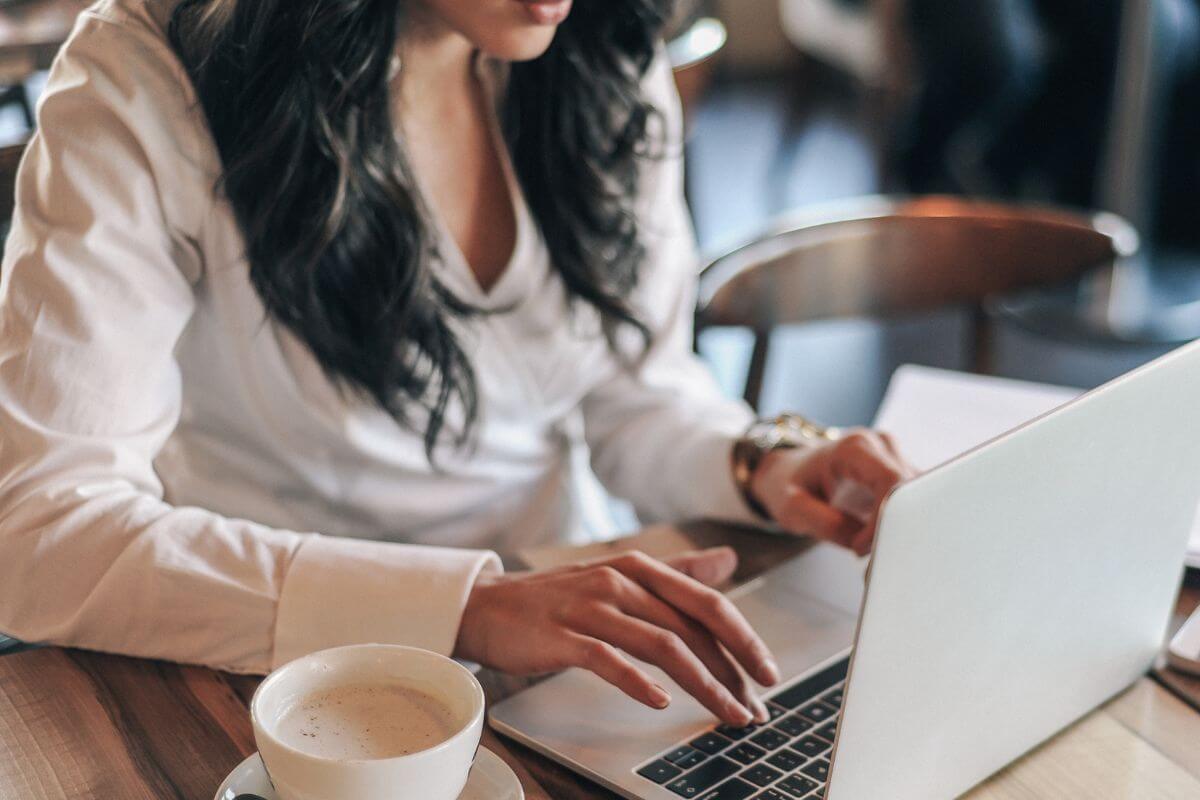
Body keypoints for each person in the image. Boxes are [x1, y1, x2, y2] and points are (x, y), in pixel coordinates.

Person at [0, 0, 912, 727]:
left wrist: (764, 459)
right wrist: (467, 607)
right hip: (275, 672)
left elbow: (634, 392)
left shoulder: (602, 49)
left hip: (572, 632)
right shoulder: (148, 75)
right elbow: (42, 535)